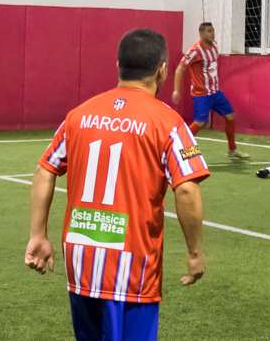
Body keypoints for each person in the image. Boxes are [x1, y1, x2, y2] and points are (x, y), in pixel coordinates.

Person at [24, 29, 209, 341]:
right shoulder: (168, 122)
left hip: (81, 258)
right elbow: (187, 188)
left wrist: (38, 234)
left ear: (118, 65)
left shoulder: (78, 115)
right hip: (132, 265)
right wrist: (195, 252)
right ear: (162, 70)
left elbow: (45, 170)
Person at [171, 22, 249, 159]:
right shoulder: (195, 51)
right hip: (201, 94)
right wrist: (176, 90)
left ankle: (232, 150)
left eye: (213, 31)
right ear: (201, 34)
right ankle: (176, 148)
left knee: (230, 116)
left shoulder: (215, 46)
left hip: (215, 92)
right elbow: (180, 68)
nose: (212, 34)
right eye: (209, 31)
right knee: (200, 122)